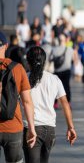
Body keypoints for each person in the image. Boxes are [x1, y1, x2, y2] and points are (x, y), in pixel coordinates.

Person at [24, 46, 77, 163]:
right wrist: (70, 127)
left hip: (31, 128)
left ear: (28, 62)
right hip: (50, 129)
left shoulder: (24, 78)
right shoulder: (54, 79)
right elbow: (65, 104)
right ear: (44, 61)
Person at [0, 31, 37, 162]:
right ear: (6, 45)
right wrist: (32, 128)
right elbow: (27, 102)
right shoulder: (17, 68)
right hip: (13, 127)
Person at [51, 33, 74, 104]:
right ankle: (68, 102)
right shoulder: (70, 49)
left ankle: (55, 103)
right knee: (66, 86)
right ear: (66, 40)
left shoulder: (54, 49)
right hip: (67, 70)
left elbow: (51, 59)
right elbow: (72, 59)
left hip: (57, 71)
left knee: (55, 87)